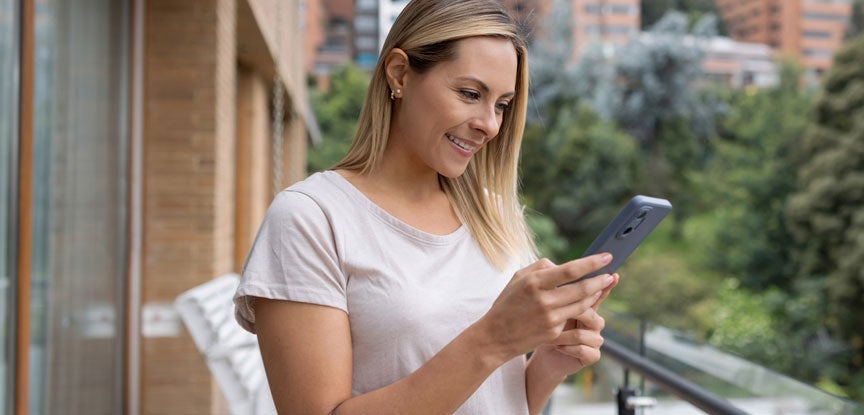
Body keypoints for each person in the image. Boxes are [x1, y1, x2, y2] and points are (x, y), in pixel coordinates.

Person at [232, 0, 620, 413]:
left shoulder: (492, 215)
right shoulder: (312, 218)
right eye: (470, 94)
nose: (490, 124)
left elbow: (496, 401)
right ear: (399, 73)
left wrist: (548, 366)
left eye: (502, 104)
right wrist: (493, 339)